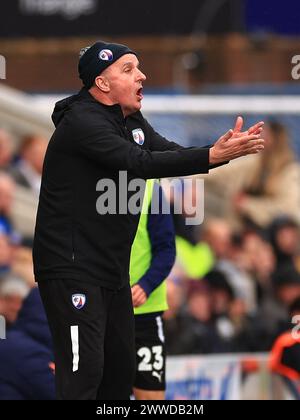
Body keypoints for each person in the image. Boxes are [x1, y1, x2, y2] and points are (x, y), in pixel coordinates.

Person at [33, 40, 264, 400]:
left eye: (138, 66)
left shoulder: (131, 121)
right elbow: (139, 163)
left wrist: (218, 153)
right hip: (72, 268)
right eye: (128, 69)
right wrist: (210, 156)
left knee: (119, 374)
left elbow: (165, 150)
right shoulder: (82, 121)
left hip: (112, 272)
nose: (142, 75)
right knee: (84, 374)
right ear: (102, 83)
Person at [130, 179, 175, 400]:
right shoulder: (91, 182)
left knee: (151, 399)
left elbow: (166, 249)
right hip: (102, 312)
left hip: (144, 315)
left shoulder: (150, 188)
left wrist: (146, 285)